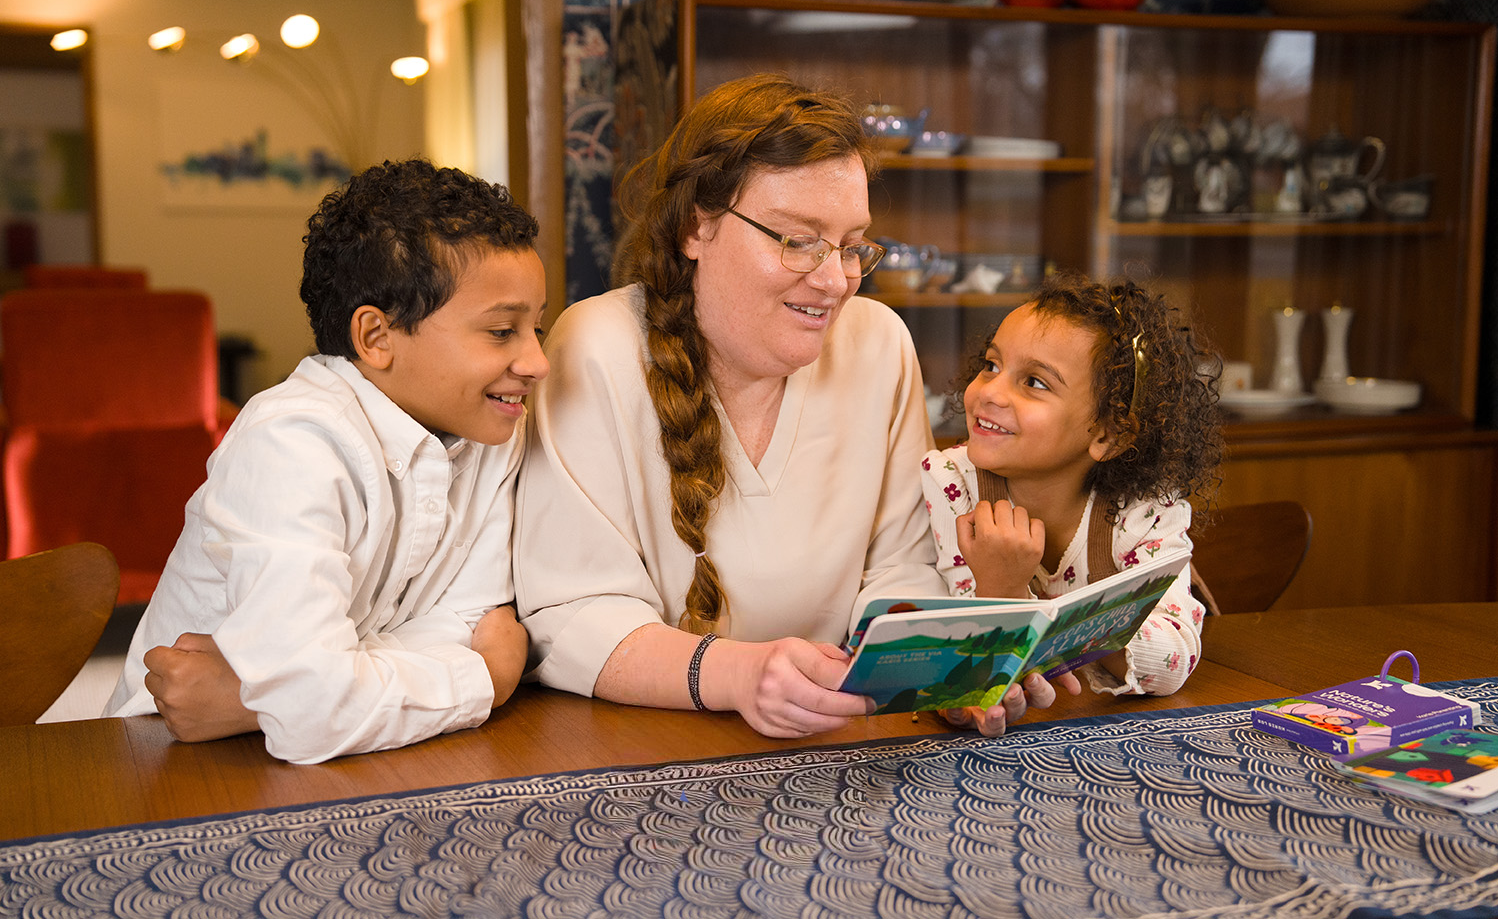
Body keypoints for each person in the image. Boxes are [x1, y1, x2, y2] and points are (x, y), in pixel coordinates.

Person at [514, 73, 963, 739]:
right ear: (699, 226)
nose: (836, 278)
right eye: (797, 239)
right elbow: (571, 615)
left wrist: (938, 678)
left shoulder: (879, 344)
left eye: (851, 244)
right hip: (643, 745)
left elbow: (903, 568)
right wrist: (739, 676)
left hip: (836, 739)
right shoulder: (597, 348)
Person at [103, 159, 548, 764]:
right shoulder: (290, 443)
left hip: (352, 755)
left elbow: (468, 623)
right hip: (172, 758)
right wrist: (486, 679)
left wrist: (249, 699)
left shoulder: (492, 432)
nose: (537, 362)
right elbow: (326, 707)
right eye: (502, 332)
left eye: (537, 329)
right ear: (376, 338)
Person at [921, 274, 1223, 720]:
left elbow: (1170, 662)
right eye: (991, 365)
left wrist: (1024, 609)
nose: (989, 391)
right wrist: (1006, 593)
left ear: (1108, 434)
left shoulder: (1147, 509)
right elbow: (952, 654)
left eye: (1035, 383)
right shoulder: (951, 480)